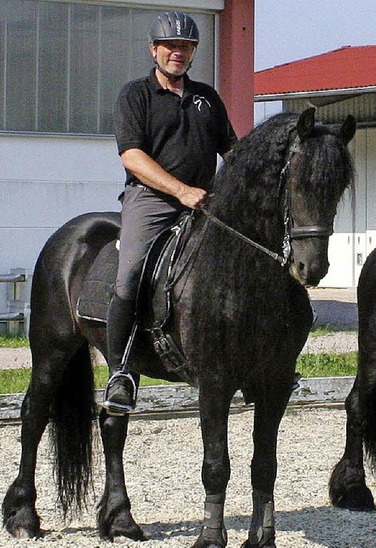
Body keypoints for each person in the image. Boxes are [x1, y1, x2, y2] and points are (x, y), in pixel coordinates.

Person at [103, 12, 237, 415]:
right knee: (130, 274)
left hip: (206, 201)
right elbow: (131, 154)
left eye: (186, 47)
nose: (178, 52)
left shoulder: (207, 98)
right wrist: (180, 190)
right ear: (154, 50)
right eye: (171, 46)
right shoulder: (136, 95)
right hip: (153, 201)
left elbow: (231, 150)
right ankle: (121, 372)